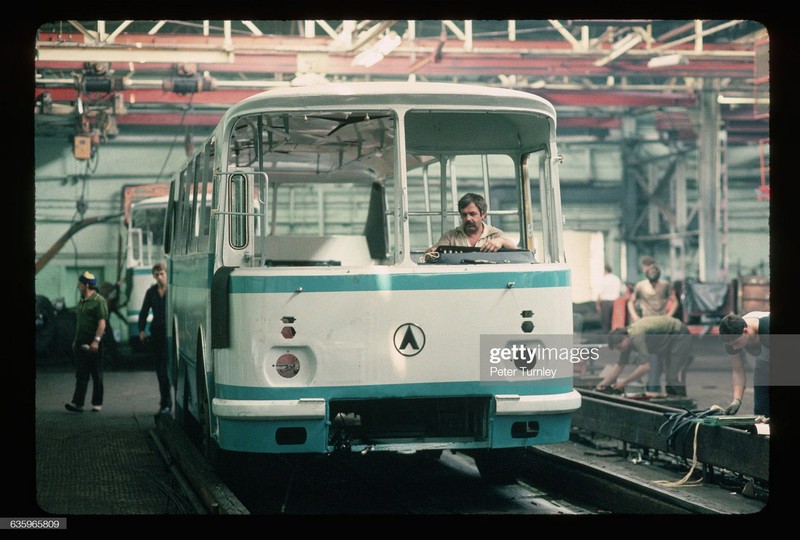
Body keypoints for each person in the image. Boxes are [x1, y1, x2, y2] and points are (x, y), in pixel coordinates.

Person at [595, 314, 692, 397]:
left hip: (679, 334)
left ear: (625, 338)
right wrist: (603, 384)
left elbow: (645, 367)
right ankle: (676, 406)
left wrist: (623, 383)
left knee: (672, 377)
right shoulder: (627, 339)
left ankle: (685, 406)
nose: (620, 350)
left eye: (619, 347)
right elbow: (620, 365)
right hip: (667, 340)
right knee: (669, 378)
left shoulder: (636, 337)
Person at [627, 263, 679, 396]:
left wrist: (668, 316)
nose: (654, 286)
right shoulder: (641, 286)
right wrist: (636, 318)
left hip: (661, 326)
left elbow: (675, 301)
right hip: (646, 326)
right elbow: (630, 302)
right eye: (652, 283)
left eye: (655, 283)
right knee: (650, 356)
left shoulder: (665, 285)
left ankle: (658, 387)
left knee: (661, 357)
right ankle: (652, 387)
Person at [65, 271, 109, 412]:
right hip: (80, 342)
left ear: (86, 285)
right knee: (81, 373)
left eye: (80, 283)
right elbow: (80, 323)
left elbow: (102, 324)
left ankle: (97, 403)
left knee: (97, 373)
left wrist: (96, 341)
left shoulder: (99, 301)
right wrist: (76, 340)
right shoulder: (82, 300)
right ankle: (78, 403)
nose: (78, 286)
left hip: (94, 343)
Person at [425, 192, 517, 253]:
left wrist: (501, 241)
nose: (468, 218)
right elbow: (437, 250)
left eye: (472, 214)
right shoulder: (450, 236)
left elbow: (515, 250)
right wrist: (432, 252)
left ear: (483, 215)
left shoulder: (495, 235)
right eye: (464, 215)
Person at [718, 311, 770, 417]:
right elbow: (738, 370)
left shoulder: (767, 327)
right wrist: (736, 400)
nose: (735, 348)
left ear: (745, 331)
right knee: (761, 411)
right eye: (731, 345)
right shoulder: (731, 340)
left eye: (736, 343)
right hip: (764, 361)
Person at [138, 262, 173, 415]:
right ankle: (165, 402)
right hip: (157, 333)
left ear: (166, 274)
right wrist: (141, 330)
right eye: (156, 275)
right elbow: (144, 311)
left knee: (169, 369)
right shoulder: (151, 292)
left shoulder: (172, 290)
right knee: (160, 370)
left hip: (171, 333)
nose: (159, 277)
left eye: (162, 274)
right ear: (153, 276)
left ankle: (169, 401)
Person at [595, 263, 624, 334]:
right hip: (616, 302)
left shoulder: (604, 279)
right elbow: (621, 291)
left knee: (605, 322)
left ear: (605, 270)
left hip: (605, 303)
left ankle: (606, 339)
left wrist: (597, 305)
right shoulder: (616, 279)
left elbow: (599, 293)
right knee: (614, 322)